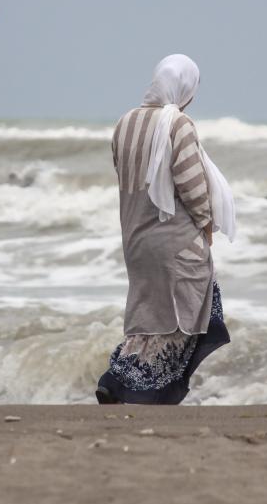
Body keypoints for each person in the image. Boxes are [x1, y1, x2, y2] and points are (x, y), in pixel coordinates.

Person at [96, 54, 235, 405]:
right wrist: (205, 226)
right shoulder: (179, 124)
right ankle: (148, 389)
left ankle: (116, 380)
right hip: (174, 240)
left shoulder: (124, 122)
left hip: (135, 240)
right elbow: (192, 186)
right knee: (188, 315)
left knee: (149, 317)